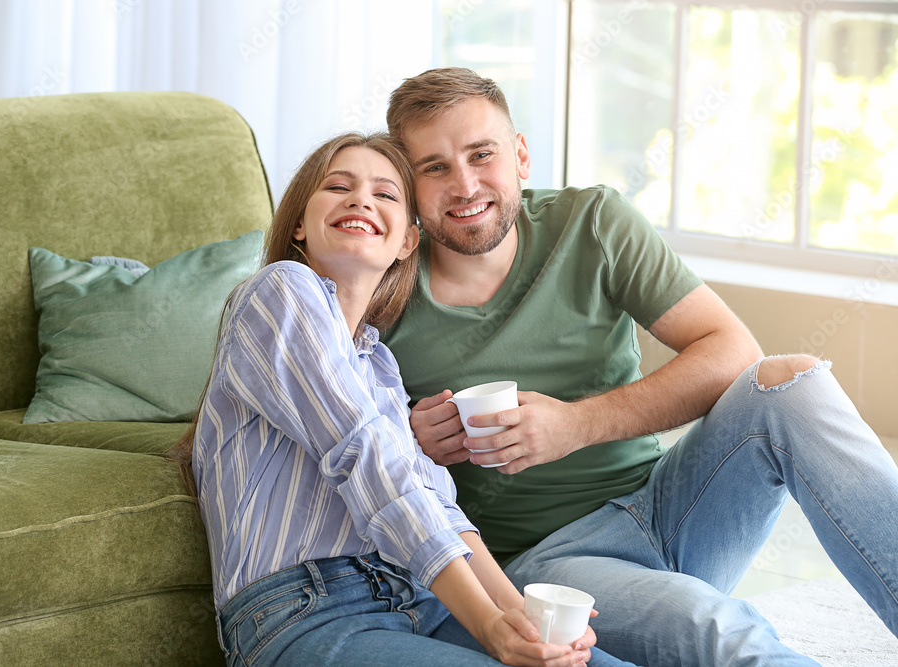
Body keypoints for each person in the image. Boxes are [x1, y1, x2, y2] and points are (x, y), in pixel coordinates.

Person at [381, 67, 898, 666]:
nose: (465, 184)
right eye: (435, 167)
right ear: (408, 184)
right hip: (546, 565)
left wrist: (576, 425)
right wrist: (410, 439)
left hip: (668, 502)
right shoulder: (384, 290)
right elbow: (341, 451)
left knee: (790, 383)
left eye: (482, 154)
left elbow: (731, 350)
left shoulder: (591, 223)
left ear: (520, 155)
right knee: (717, 630)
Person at [168, 132, 634, 667]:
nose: (361, 199)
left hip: (421, 598)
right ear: (299, 223)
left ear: (407, 242)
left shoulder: (377, 363)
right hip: (303, 613)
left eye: (385, 194)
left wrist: (521, 619)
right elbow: (365, 455)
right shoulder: (279, 293)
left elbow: (438, 504)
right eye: (338, 186)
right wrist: (488, 626)